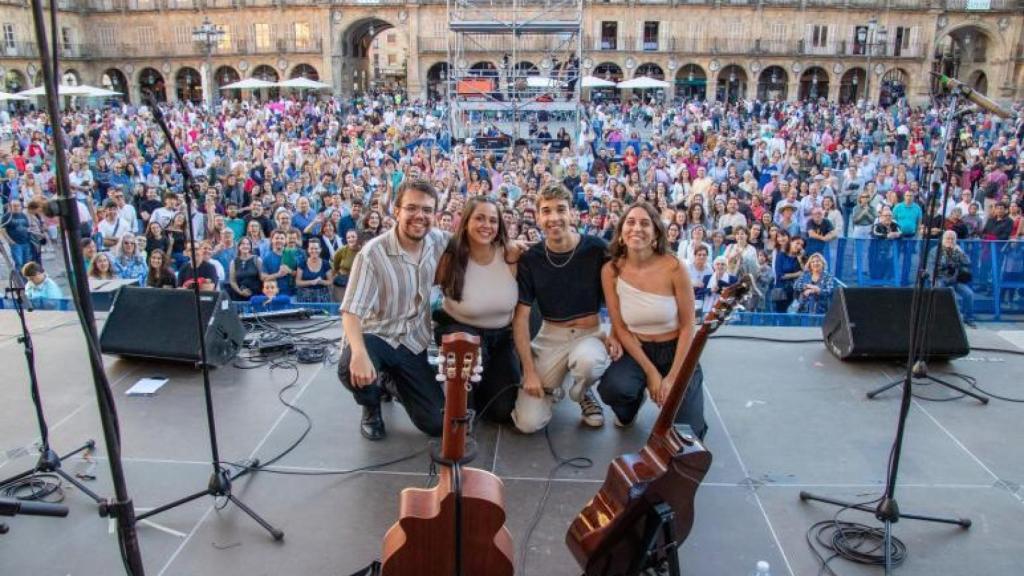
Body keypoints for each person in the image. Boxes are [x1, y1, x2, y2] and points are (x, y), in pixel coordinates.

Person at [338, 178, 448, 440]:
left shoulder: (440, 240)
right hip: (377, 336)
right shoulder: (372, 253)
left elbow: (478, 242)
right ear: (396, 211)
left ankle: (388, 380)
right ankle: (371, 406)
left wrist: (512, 246)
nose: (419, 216)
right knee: (349, 367)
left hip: (413, 342)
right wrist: (359, 354)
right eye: (411, 208)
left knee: (437, 424)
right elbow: (351, 311)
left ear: (435, 215)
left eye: (427, 210)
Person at [511, 183, 619, 434]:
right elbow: (521, 319)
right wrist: (529, 372)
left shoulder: (597, 248)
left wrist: (615, 331)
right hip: (551, 336)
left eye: (561, 209)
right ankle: (559, 383)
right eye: (546, 211)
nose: (554, 217)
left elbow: (619, 294)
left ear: (572, 213)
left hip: (590, 332)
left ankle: (581, 391)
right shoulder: (531, 258)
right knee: (527, 423)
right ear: (538, 217)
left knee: (588, 363)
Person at [598, 203, 705, 436]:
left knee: (689, 432)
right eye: (631, 222)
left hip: (675, 349)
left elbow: (689, 326)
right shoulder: (610, 270)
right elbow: (620, 326)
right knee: (613, 389)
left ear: (656, 232)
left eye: (645, 223)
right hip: (637, 348)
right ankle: (632, 406)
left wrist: (672, 378)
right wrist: (652, 374)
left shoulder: (675, 268)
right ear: (622, 232)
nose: (637, 228)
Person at [434, 196, 520, 424]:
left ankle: (477, 385)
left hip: (502, 337)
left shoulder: (511, 254)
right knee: (469, 361)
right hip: (461, 332)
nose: (487, 225)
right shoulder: (449, 256)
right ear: (466, 221)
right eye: (480, 218)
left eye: (493, 220)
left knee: (503, 410)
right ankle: (463, 405)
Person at [927, 230, 977, 327]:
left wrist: (960, 252)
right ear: (943, 239)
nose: (950, 241)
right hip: (940, 278)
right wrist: (933, 280)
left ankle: (968, 318)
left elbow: (967, 263)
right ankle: (940, 318)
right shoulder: (935, 250)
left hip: (955, 279)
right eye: (948, 238)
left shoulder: (957, 250)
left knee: (969, 294)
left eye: (952, 239)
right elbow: (930, 267)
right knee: (942, 292)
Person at [330, 229, 361, 302]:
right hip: (342, 283)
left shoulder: (362, 250)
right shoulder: (341, 250)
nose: (351, 239)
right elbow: (335, 266)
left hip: (358, 282)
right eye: (348, 237)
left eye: (353, 237)